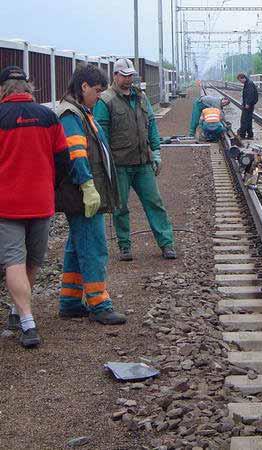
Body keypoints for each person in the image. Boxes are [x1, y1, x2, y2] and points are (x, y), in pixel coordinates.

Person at [0, 66, 68, 347]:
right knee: (33, 259)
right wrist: (48, 185)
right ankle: (21, 313)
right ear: (29, 87)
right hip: (41, 200)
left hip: (6, 205)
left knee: (13, 260)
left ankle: (25, 319)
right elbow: (64, 160)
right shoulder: (48, 116)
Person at [54, 64, 126, 325]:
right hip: (82, 194)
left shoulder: (81, 111)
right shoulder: (71, 115)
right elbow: (76, 153)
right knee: (94, 247)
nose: (99, 96)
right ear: (83, 86)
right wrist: (87, 186)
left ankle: (71, 301)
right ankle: (99, 304)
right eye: (97, 91)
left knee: (76, 247)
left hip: (83, 193)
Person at [93, 58, 176, 262]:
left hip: (143, 162)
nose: (129, 79)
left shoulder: (141, 97)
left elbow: (151, 125)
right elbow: (100, 135)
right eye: (125, 76)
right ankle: (124, 246)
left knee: (155, 202)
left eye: (131, 76)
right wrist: (105, 164)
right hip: (119, 164)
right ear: (115, 75)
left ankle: (166, 243)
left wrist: (156, 151)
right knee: (120, 207)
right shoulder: (105, 101)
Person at [236, 72, 258, 139]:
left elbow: (250, 95)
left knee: (244, 119)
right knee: (248, 120)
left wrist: (247, 103)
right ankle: (249, 135)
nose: (240, 82)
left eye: (240, 80)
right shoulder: (247, 83)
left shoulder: (249, 84)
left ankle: (242, 134)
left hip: (249, 105)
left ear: (243, 78)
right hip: (249, 104)